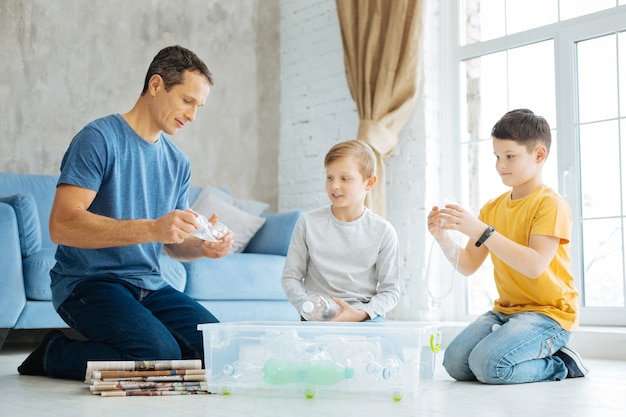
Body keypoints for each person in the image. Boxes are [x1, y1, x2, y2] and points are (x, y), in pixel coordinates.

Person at [17, 45, 234, 381]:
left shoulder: (178, 162)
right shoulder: (98, 139)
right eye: (187, 101)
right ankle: (53, 353)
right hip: (87, 284)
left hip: (149, 285)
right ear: (156, 85)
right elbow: (61, 225)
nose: (193, 116)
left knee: (221, 351)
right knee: (158, 354)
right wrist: (152, 229)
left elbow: (172, 243)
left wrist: (201, 247)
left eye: (199, 107)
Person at [428, 109, 588, 384]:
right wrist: (442, 237)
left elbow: (534, 265)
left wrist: (480, 229)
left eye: (510, 156)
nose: (500, 165)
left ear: (538, 155)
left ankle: (560, 364)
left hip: (549, 314)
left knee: (491, 367)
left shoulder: (550, 204)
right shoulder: (492, 208)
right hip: (506, 311)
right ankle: (516, 346)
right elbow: (467, 265)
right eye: (497, 157)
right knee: (454, 363)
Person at [282, 140, 400, 321]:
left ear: (369, 183)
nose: (334, 186)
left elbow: (390, 291)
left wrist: (361, 314)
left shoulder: (383, 231)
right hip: (318, 315)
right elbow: (291, 277)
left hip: (363, 315)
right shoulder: (307, 223)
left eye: (345, 179)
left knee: (389, 349)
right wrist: (306, 306)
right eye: (330, 177)